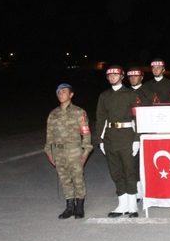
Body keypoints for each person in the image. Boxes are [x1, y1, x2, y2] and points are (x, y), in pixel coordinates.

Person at [95, 66, 141, 217]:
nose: (112, 77)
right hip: (110, 137)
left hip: (127, 136)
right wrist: (100, 140)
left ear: (122, 76)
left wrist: (137, 139)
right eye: (110, 75)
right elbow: (101, 118)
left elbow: (138, 118)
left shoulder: (130, 94)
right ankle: (122, 205)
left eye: (115, 75)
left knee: (129, 170)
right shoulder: (104, 96)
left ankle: (133, 206)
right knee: (116, 171)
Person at [44, 83, 93, 219]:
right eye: (59, 92)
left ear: (71, 95)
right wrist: (49, 151)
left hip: (74, 151)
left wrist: (86, 151)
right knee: (64, 179)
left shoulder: (79, 112)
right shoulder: (53, 114)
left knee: (77, 179)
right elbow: (49, 134)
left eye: (64, 92)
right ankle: (69, 206)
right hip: (58, 152)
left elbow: (86, 133)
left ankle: (79, 206)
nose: (61, 94)